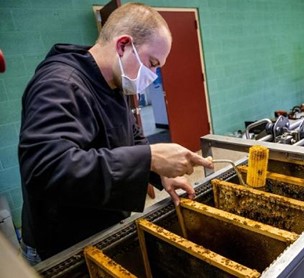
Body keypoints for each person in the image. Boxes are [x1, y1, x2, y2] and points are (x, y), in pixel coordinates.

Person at [18, 2, 213, 264]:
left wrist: (158, 174)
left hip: (100, 227)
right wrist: (149, 158)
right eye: (152, 63)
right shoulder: (59, 84)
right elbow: (47, 168)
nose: (153, 76)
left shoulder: (112, 82)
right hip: (62, 245)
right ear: (123, 45)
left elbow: (131, 138)